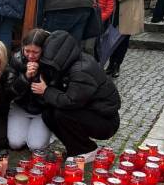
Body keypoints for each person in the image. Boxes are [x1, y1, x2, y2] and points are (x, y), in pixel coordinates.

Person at [30, 30, 120, 159]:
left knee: (61, 113)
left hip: (105, 120)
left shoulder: (81, 70)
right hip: (89, 111)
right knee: (49, 113)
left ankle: (85, 150)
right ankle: (75, 148)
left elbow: (71, 101)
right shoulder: (69, 63)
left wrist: (46, 91)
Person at [5, 29, 50, 151]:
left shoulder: (51, 62)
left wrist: (44, 88)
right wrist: (25, 77)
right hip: (21, 106)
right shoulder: (16, 59)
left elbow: (57, 91)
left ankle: (48, 133)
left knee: (36, 146)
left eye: (35, 52)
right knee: (15, 143)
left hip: (42, 110)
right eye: (27, 51)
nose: (30, 56)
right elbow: (10, 91)